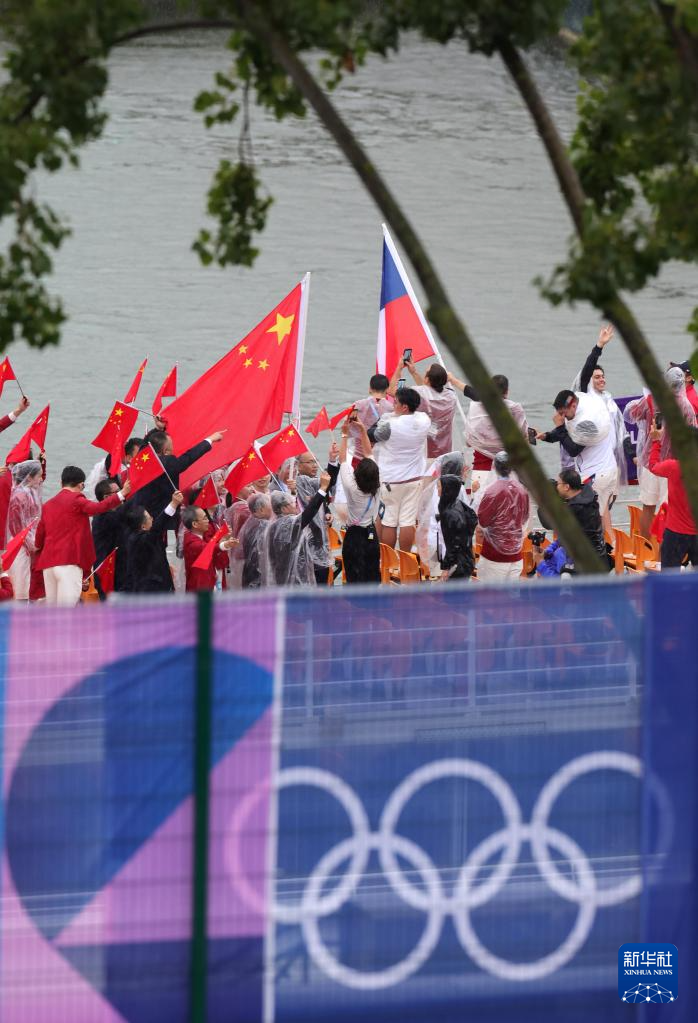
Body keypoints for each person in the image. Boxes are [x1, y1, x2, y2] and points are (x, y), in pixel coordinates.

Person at [34, 466, 131, 606]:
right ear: (81, 485)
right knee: (67, 611)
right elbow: (97, 508)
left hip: (48, 565)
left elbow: (39, 538)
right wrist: (121, 494)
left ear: (61, 483)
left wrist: (36, 547)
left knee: (53, 610)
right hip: (69, 562)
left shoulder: (47, 505)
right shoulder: (77, 499)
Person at [624, 366, 697, 539]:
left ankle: (645, 547)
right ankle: (662, 549)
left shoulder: (652, 399)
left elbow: (631, 414)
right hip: (671, 465)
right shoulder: (686, 406)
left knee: (648, 507)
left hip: (651, 460)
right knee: (668, 511)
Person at [537, 388, 617, 535]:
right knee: (598, 515)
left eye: (563, 413)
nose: (562, 417)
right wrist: (547, 436)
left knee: (590, 519)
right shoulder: (579, 408)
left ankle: (597, 547)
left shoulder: (587, 422)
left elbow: (573, 449)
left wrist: (559, 427)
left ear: (573, 406)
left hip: (598, 474)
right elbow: (568, 433)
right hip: (603, 470)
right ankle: (606, 544)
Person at [371, 387, 432, 551]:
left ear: (404, 407)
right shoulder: (424, 420)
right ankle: (405, 559)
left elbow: (372, 435)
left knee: (389, 521)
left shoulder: (390, 425)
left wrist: (383, 418)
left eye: (395, 403)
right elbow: (420, 411)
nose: (393, 406)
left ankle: (388, 560)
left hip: (391, 479)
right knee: (408, 521)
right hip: (415, 478)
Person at [573, 324, 633, 492]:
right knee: (593, 504)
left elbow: (621, 431)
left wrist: (632, 455)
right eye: (597, 377)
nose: (602, 379)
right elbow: (587, 371)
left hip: (610, 464)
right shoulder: (584, 398)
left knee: (607, 503)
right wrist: (599, 346)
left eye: (603, 376)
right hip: (591, 465)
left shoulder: (608, 400)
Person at [449, 373, 528, 489]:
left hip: (481, 469)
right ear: (507, 391)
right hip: (508, 471)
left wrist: (452, 379)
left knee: (479, 500)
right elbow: (523, 437)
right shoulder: (515, 410)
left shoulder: (478, 407)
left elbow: (469, 441)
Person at [134, 428, 224, 523]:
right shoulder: (167, 462)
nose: (173, 450)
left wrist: (158, 428)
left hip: (142, 515)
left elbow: (145, 444)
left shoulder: (143, 459)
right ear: (165, 451)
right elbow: (188, 457)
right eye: (171, 447)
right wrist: (210, 439)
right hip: (162, 518)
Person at [260, 473, 331, 587]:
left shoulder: (273, 525)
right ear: (284, 508)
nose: (296, 506)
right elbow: (310, 512)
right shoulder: (288, 524)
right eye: (293, 503)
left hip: (280, 577)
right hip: (295, 579)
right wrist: (323, 488)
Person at [648, 423, 698, 569]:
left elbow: (653, 466)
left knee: (669, 576)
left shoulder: (674, 467)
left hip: (675, 533)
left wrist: (656, 441)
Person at [339, 413, 381, 583]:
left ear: (357, 474)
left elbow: (343, 460)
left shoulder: (351, 487)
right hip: (371, 533)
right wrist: (363, 430)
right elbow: (369, 453)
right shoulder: (377, 486)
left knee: (353, 575)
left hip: (353, 535)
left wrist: (344, 434)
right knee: (372, 573)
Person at [476, 451, 529, 583]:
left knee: (491, 593)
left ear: (494, 466)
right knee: (512, 594)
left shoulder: (491, 491)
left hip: (494, 555)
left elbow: (483, 521)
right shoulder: (522, 490)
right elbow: (524, 518)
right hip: (516, 554)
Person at [544, 468, 611, 571]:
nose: (556, 487)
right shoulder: (589, 497)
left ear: (566, 487)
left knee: (550, 565)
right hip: (599, 556)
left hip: (586, 564)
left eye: (558, 484)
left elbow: (547, 523)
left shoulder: (575, 508)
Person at [392, 358, 457, 459]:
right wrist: (414, 373)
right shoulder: (451, 396)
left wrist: (399, 368)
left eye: (426, 372)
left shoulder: (419, 394)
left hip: (424, 451)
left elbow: (392, 391)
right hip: (445, 450)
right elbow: (429, 390)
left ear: (427, 379)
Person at [295, 445, 340, 585]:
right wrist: (332, 461)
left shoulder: (312, 482)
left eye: (315, 461)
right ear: (298, 466)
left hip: (319, 543)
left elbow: (322, 497)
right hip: (306, 545)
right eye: (310, 462)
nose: (314, 465)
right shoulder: (299, 482)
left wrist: (327, 513)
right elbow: (324, 485)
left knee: (322, 582)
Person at [123, 491, 184, 593]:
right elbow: (157, 528)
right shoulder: (138, 540)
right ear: (143, 526)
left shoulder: (143, 536)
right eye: (149, 517)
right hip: (151, 591)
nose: (152, 519)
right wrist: (173, 504)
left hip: (163, 583)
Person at [6, 459, 43, 600]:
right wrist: (28, 543)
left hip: (29, 541)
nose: (41, 479)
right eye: (39, 476)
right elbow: (15, 526)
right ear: (29, 477)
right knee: (20, 582)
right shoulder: (19, 496)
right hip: (19, 544)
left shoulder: (31, 492)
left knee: (26, 581)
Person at [181, 505, 237, 591]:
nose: (207, 521)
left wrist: (223, 536)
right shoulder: (190, 540)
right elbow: (207, 548)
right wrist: (224, 543)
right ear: (195, 524)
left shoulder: (201, 536)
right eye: (204, 518)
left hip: (210, 580)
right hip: (200, 587)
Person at [436, 473, 478, 581]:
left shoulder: (450, 514)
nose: (437, 489)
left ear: (447, 490)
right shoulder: (456, 503)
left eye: (439, 486)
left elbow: (455, 544)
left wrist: (446, 568)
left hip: (458, 564)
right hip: (465, 559)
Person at [92, 478, 128, 597]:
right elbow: (125, 514)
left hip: (120, 573)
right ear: (107, 497)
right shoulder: (103, 517)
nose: (123, 494)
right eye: (118, 492)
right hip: (109, 574)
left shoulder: (117, 514)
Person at [350, 374, 393, 460]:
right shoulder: (391, 408)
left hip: (358, 455)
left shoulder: (357, 405)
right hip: (379, 457)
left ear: (370, 388)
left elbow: (348, 429)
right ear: (387, 389)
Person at [240, 492, 272, 588]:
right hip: (259, 578)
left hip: (250, 575)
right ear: (261, 510)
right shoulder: (263, 526)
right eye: (270, 505)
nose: (273, 509)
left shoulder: (251, 522)